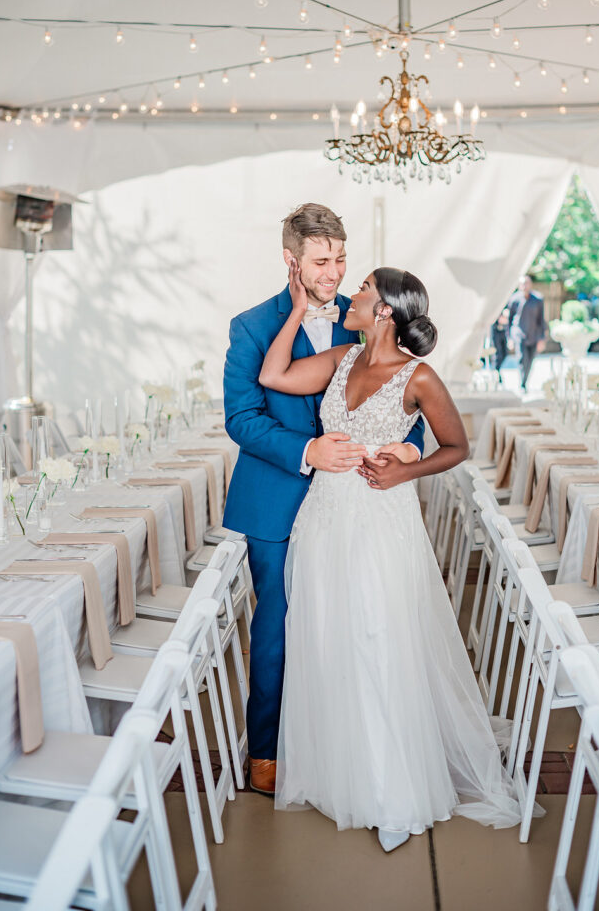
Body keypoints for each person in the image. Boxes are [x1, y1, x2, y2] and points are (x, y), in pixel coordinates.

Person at [260, 263, 521, 852]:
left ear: (384, 310)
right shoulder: (340, 360)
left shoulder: (418, 376)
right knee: (330, 639)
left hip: (380, 519)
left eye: (363, 290)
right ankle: (339, 774)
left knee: (378, 640)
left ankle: (392, 792)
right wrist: (300, 307)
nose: (351, 295)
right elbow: (273, 375)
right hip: (325, 517)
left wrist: (407, 467)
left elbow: (456, 445)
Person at [222, 203, 425, 798]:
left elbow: (398, 394)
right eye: (320, 261)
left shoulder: (363, 320)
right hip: (278, 498)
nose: (334, 273)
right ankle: (267, 752)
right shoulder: (252, 326)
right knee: (282, 624)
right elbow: (241, 418)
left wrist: (410, 447)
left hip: (356, 502)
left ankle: (343, 743)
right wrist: (308, 449)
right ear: (291, 261)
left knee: (358, 620)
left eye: (340, 259)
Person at [508, 275, 546, 390]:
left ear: (531, 284)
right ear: (519, 285)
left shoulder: (538, 299)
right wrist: (509, 338)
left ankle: (525, 380)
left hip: (533, 335)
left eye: (527, 283)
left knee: (530, 360)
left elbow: (541, 320)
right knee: (522, 358)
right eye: (522, 284)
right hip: (519, 334)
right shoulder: (514, 299)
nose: (525, 286)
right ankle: (522, 384)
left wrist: (542, 338)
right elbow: (510, 320)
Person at [491, 307, 510, 381]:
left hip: (503, 330)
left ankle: (496, 370)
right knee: (497, 354)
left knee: (505, 353)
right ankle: (496, 374)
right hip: (495, 329)